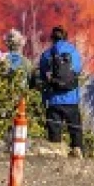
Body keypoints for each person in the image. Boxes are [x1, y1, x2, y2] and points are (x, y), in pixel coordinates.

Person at [37, 26, 84, 156]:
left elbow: (42, 75)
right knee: (75, 130)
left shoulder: (46, 54)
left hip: (53, 100)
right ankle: (78, 152)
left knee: (54, 132)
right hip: (71, 99)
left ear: (52, 38)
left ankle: (56, 155)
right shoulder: (73, 51)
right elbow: (78, 70)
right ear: (66, 37)